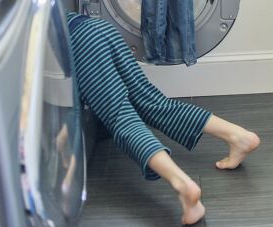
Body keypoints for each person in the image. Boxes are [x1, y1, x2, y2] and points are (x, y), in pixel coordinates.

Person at [65, 12, 260, 225]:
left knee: (122, 118)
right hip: (97, 28)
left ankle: (183, 185)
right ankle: (238, 136)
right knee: (153, 102)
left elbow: (63, 100)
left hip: (77, 44)